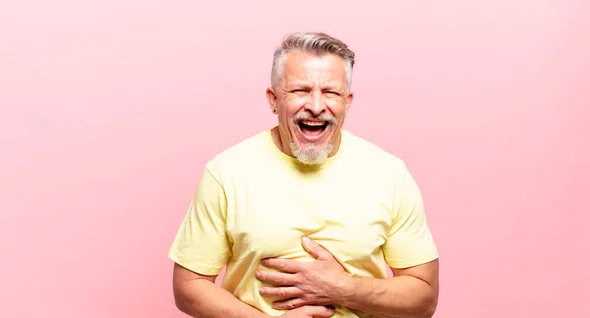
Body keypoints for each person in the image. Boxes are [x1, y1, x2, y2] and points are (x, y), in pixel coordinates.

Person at [168, 31, 440, 318]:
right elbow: (188, 286)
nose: (316, 105)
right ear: (273, 100)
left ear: (347, 102)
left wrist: (344, 288)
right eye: (300, 90)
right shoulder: (225, 173)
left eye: (330, 92)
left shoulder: (389, 175)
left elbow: (424, 299)